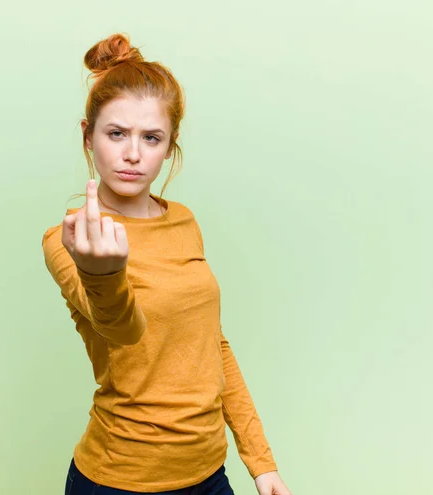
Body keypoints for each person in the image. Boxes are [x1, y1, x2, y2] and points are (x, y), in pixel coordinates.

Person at [42, 33, 292, 495]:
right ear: (88, 135)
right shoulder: (71, 238)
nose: (133, 153)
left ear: (169, 144)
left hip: (208, 475)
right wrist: (104, 274)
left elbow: (212, 345)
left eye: (150, 138)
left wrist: (261, 461)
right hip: (119, 479)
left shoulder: (184, 221)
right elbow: (121, 331)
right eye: (116, 133)